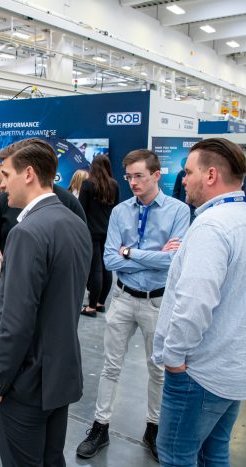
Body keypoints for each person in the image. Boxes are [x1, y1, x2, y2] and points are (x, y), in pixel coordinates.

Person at [153, 138, 246, 466]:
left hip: (200, 374)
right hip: (233, 370)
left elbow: (194, 303)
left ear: (210, 175)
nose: (184, 179)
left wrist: (174, 358)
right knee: (214, 452)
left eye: (189, 172)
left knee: (176, 455)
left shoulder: (212, 226)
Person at [0, 137, 91, 467]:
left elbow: (16, 324)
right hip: (60, 373)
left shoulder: (26, 232)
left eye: (6, 174)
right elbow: (57, 286)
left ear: (28, 174)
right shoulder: (73, 222)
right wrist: (9, 267)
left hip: (25, 382)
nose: (1, 184)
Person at [76, 149, 190, 461]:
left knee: (158, 369)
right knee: (110, 366)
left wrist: (130, 253)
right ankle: (100, 426)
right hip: (123, 299)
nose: (133, 182)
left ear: (156, 175)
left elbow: (173, 260)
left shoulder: (179, 211)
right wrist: (150, 256)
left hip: (158, 302)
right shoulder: (120, 211)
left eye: (139, 176)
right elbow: (110, 259)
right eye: (128, 177)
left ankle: (153, 428)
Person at [0, 174, 86, 308]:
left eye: (7, 174)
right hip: (7, 292)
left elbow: (81, 253)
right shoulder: (4, 200)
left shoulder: (69, 202)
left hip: (53, 297)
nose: (2, 185)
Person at [78, 155, 119, 317]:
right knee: (106, 267)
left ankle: (91, 307)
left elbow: (81, 210)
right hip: (108, 232)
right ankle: (100, 303)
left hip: (90, 232)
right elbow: (116, 210)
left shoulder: (87, 184)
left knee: (95, 269)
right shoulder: (114, 185)